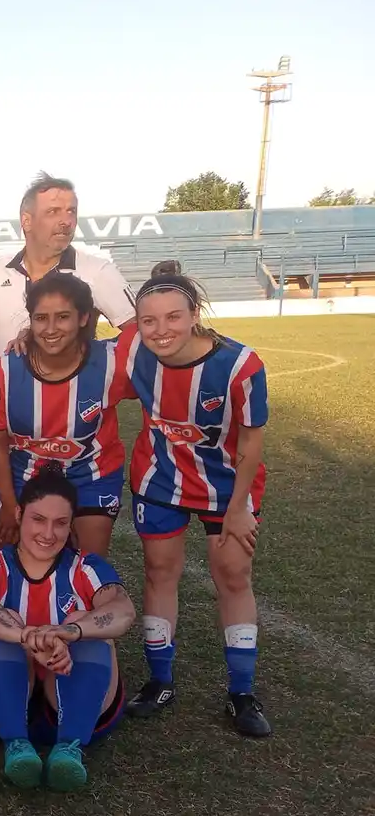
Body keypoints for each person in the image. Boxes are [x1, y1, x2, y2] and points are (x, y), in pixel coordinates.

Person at [0, 174, 136, 536]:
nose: (66, 220)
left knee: (72, 538)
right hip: (3, 419)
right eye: (54, 211)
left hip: (74, 424)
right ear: (26, 220)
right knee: (0, 530)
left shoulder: (96, 271)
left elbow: (136, 335)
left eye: (71, 210)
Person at [117, 263, 271, 737]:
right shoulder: (131, 352)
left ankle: (241, 692)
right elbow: (73, 351)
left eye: (173, 317)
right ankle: (160, 680)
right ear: (137, 323)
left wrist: (239, 507)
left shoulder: (241, 366)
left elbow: (251, 444)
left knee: (233, 574)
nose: (161, 331)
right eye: (149, 321)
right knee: (160, 571)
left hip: (227, 487)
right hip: (160, 480)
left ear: (194, 314)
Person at [0, 469, 136, 790]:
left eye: (60, 523)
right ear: (19, 514)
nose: (49, 533)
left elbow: (123, 611)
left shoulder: (87, 566)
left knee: (92, 625)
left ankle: (69, 749)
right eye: (38, 519)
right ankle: (16, 745)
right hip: (1, 707)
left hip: (72, 705)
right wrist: (27, 637)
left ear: (71, 525)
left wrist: (68, 633)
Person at [0, 271, 132, 558]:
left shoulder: (113, 361)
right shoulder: (8, 369)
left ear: (84, 318)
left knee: (88, 565)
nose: (50, 329)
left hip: (92, 473)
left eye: (62, 317)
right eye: (40, 318)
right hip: (25, 474)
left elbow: (154, 336)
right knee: (23, 566)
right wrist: (11, 504)